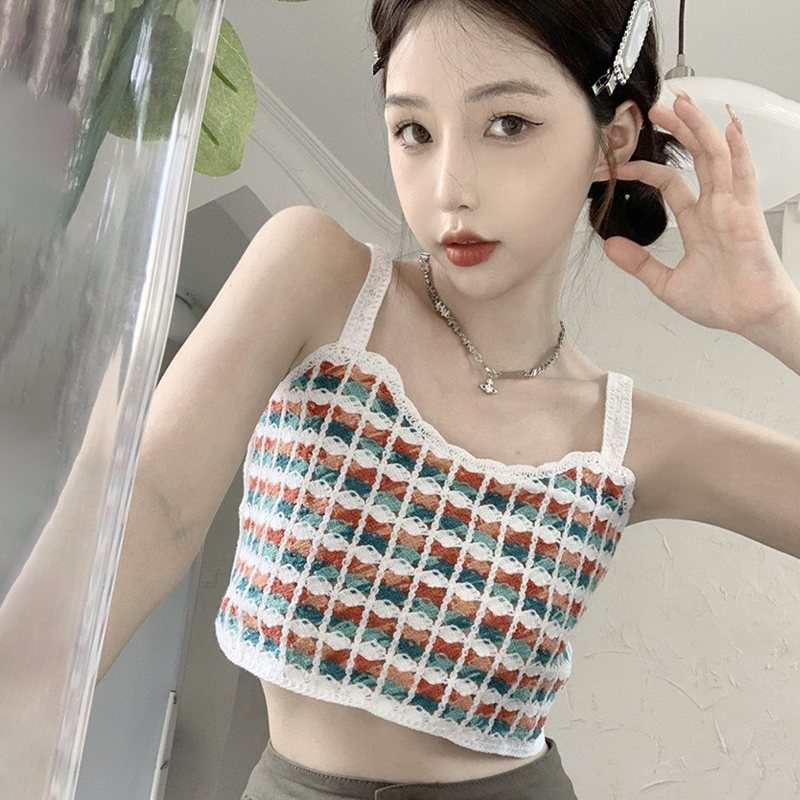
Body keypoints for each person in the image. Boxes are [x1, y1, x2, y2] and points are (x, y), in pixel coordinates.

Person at [97, 0, 800, 798]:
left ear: (613, 140)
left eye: (508, 124)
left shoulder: (624, 441)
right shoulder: (320, 282)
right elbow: (145, 505)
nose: (449, 188)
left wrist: (776, 319)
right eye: (414, 131)